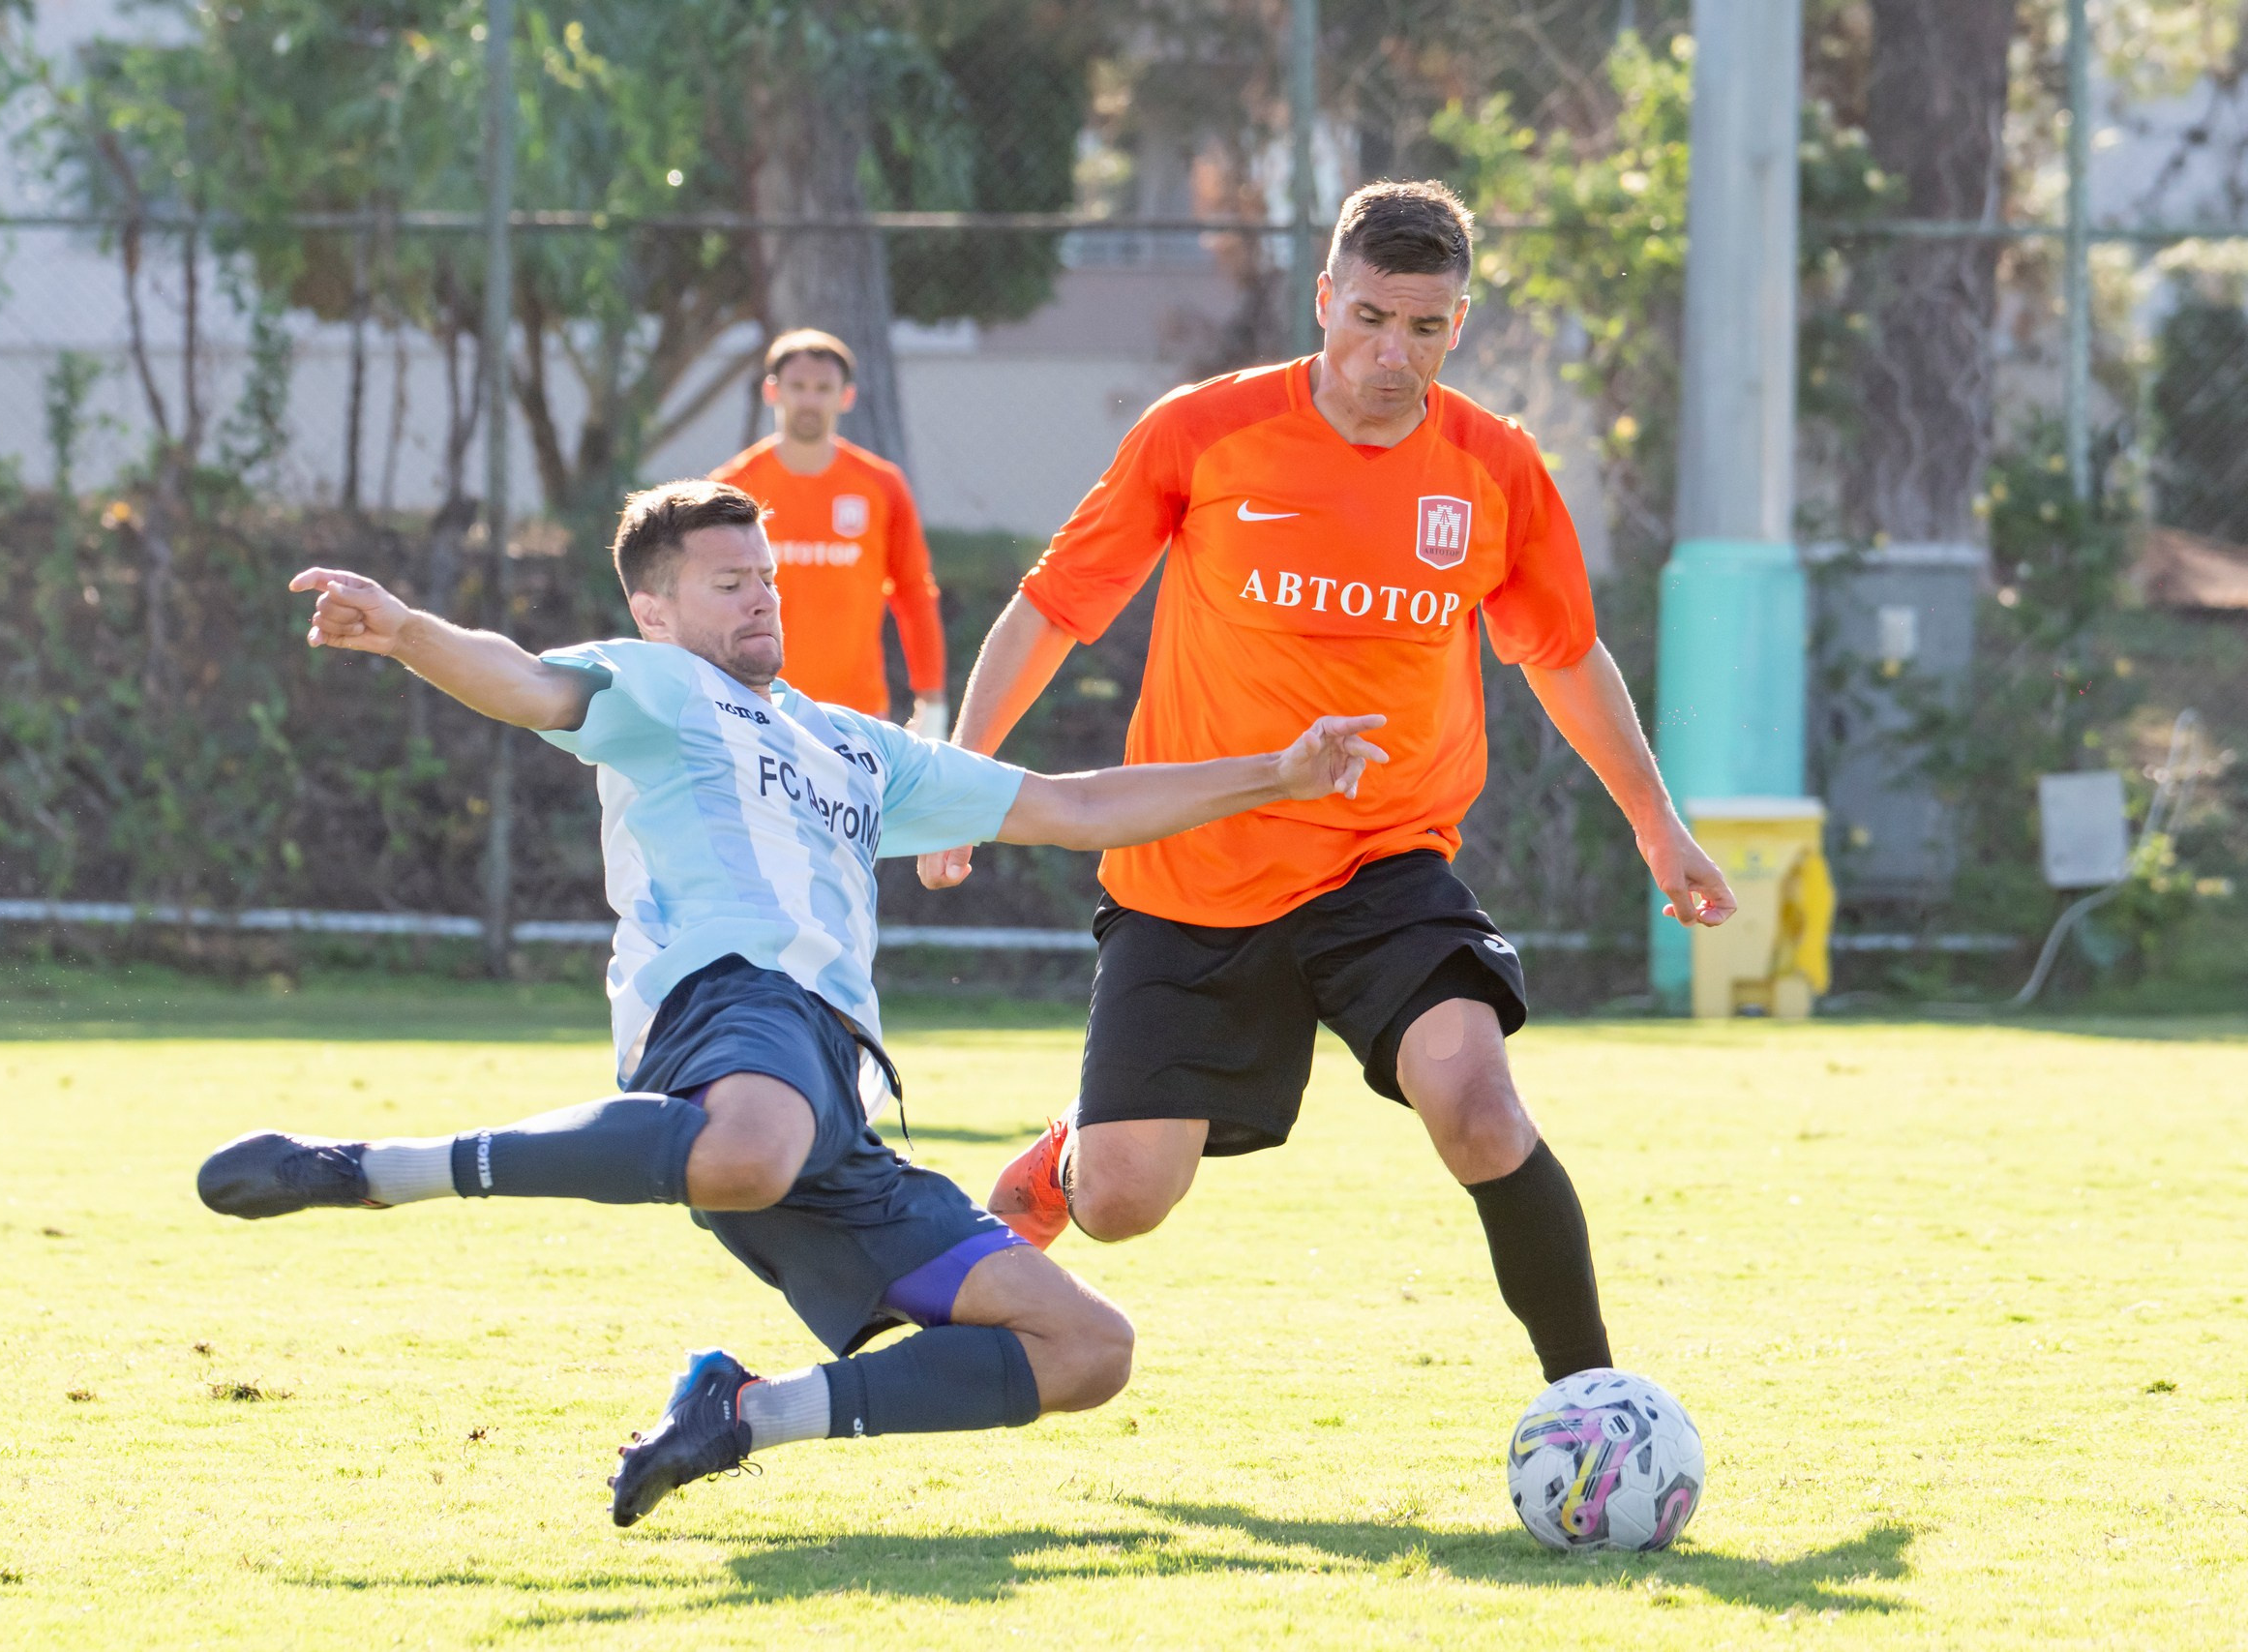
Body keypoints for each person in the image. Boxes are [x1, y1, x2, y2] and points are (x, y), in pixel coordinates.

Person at [195, 479, 1389, 1527]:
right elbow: (522, 683)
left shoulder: (856, 748)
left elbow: (1072, 806)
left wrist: (1277, 773)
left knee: (1086, 1349)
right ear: (655, 612)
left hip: (839, 1087)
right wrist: (406, 632)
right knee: (750, 1147)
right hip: (727, 1008)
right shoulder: (652, 682)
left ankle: (742, 1417)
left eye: (766, 576)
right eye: (728, 584)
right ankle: (368, 1168)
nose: (762, 599)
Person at [921, 181, 1739, 1387]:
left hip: (1382, 864)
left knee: (1478, 1106)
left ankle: (1594, 1403)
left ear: (1458, 324)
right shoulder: (1202, 432)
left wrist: (1655, 825)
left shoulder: (1493, 469)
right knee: (1128, 1203)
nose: (1388, 355)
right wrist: (965, 782)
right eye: (1366, 318)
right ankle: (1066, 1161)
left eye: (1424, 327)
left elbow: (1562, 656)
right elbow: (1054, 609)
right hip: (1193, 872)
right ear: (1322, 301)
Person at [712, 329, 949, 736]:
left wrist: (932, 697)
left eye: (823, 388)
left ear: (846, 396)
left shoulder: (882, 485)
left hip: (855, 714)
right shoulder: (731, 487)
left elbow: (913, 592)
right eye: (798, 386)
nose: (809, 399)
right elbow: (705, 597)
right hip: (750, 707)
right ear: (772, 391)